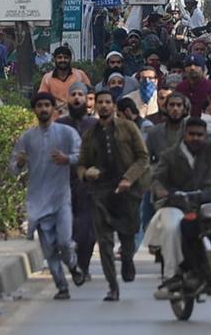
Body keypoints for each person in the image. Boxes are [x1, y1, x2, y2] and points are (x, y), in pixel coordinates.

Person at [150, 98, 211, 296]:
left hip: (205, 204)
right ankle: (171, 276)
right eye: (192, 134)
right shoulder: (170, 155)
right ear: (185, 135)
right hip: (175, 205)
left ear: (205, 136)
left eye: (200, 135)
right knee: (171, 228)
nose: (196, 138)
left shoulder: (208, 152)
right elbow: (155, 178)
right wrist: (160, 189)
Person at [10, 92, 84, 299]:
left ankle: (73, 265)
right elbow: (13, 167)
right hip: (38, 201)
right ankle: (62, 287)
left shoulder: (67, 133)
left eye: (47, 105)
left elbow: (82, 155)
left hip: (61, 198)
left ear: (53, 109)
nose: (43, 109)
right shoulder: (27, 138)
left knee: (64, 242)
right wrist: (21, 163)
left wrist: (66, 158)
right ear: (35, 110)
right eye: (39, 105)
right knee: (49, 250)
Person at [77, 87, 150, 301]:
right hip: (101, 192)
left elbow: (143, 157)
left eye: (108, 102)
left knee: (128, 236)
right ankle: (112, 286)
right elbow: (82, 163)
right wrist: (85, 174)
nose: (104, 106)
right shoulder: (90, 134)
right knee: (105, 242)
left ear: (114, 105)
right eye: (100, 102)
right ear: (96, 106)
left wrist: (129, 178)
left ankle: (127, 259)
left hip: (128, 192)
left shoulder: (128, 128)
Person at [57, 81, 98, 284]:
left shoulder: (95, 125)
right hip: (64, 182)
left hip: (89, 185)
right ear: (68, 98)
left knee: (88, 231)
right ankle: (73, 264)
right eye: (73, 94)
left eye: (81, 94)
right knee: (68, 229)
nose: (77, 98)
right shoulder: (60, 125)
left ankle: (84, 265)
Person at [38, 45, 92, 110]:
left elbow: (90, 95)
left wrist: (71, 104)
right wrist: (56, 103)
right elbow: (42, 97)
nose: (62, 60)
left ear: (70, 59)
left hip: (76, 115)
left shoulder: (80, 75)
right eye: (59, 57)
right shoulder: (47, 78)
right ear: (54, 59)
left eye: (66, 57)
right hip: (55, 116)